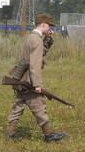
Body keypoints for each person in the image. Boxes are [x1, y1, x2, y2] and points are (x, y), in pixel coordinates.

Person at [5, 13, 66, 142]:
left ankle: (10, 134)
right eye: (49, 25)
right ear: (43, 24)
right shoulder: (36, 40)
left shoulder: (31, 37)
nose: (50, 28)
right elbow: (35, 64)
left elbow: (37, 54)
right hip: (29, 80)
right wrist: (37, 85)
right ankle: (49, 135)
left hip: (21, 79)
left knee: (18, 106)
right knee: (39, 107)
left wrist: (47, 40)